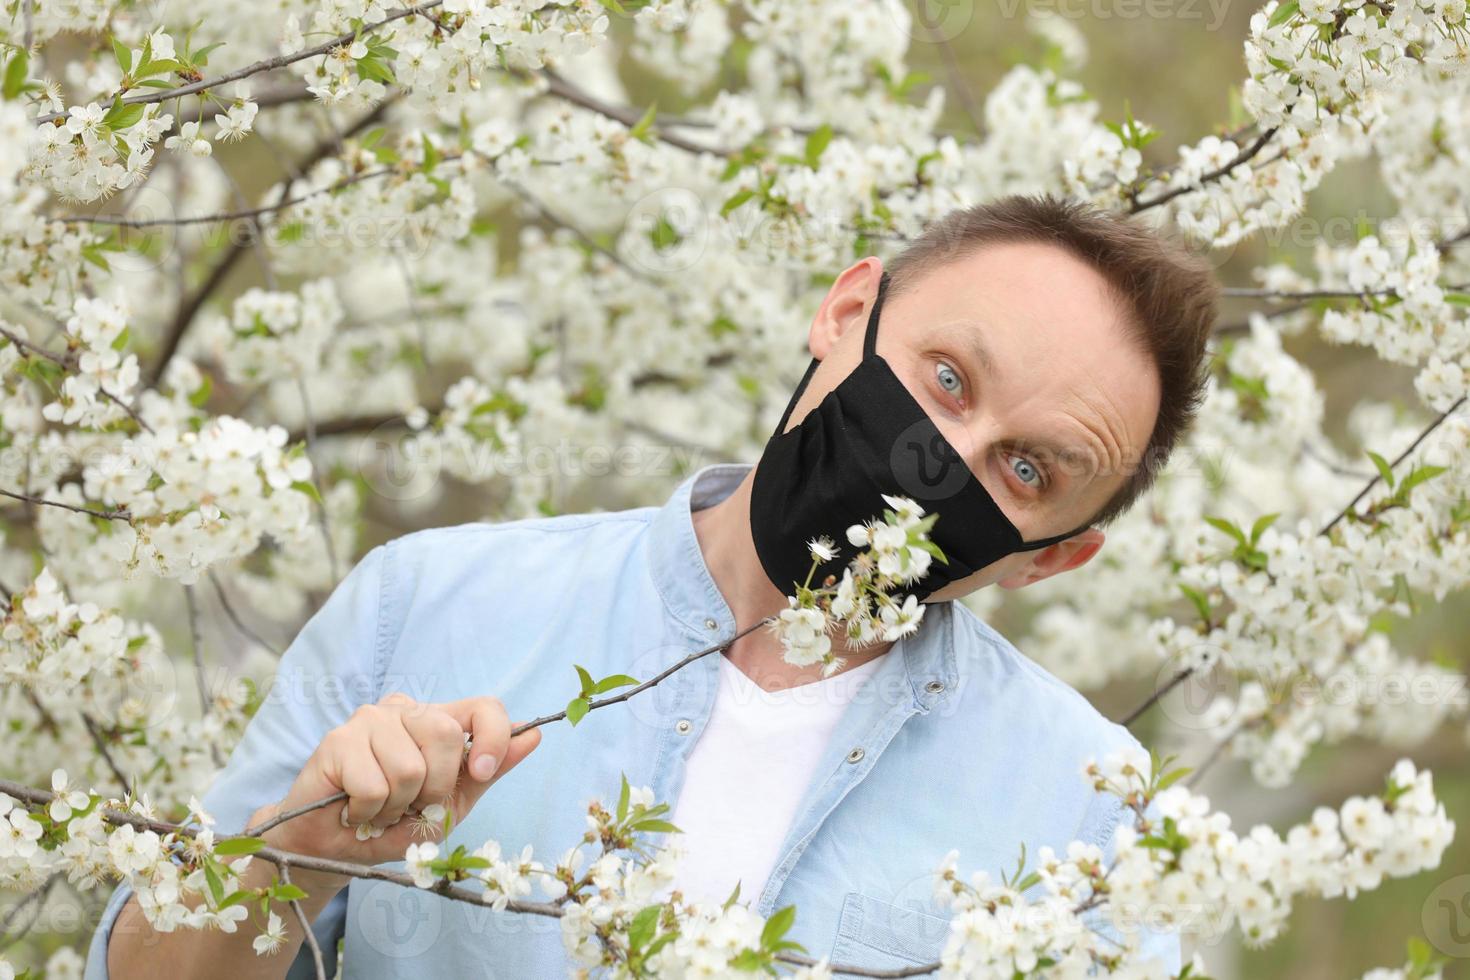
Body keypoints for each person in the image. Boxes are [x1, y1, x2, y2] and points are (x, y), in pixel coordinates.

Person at [92, 193, 1220, 979]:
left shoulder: (1090, 812)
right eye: (944, 376)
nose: (941, 454)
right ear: (842, 311)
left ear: (1054, 553)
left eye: (1028, 469)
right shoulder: (427, 605)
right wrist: (300, 856)